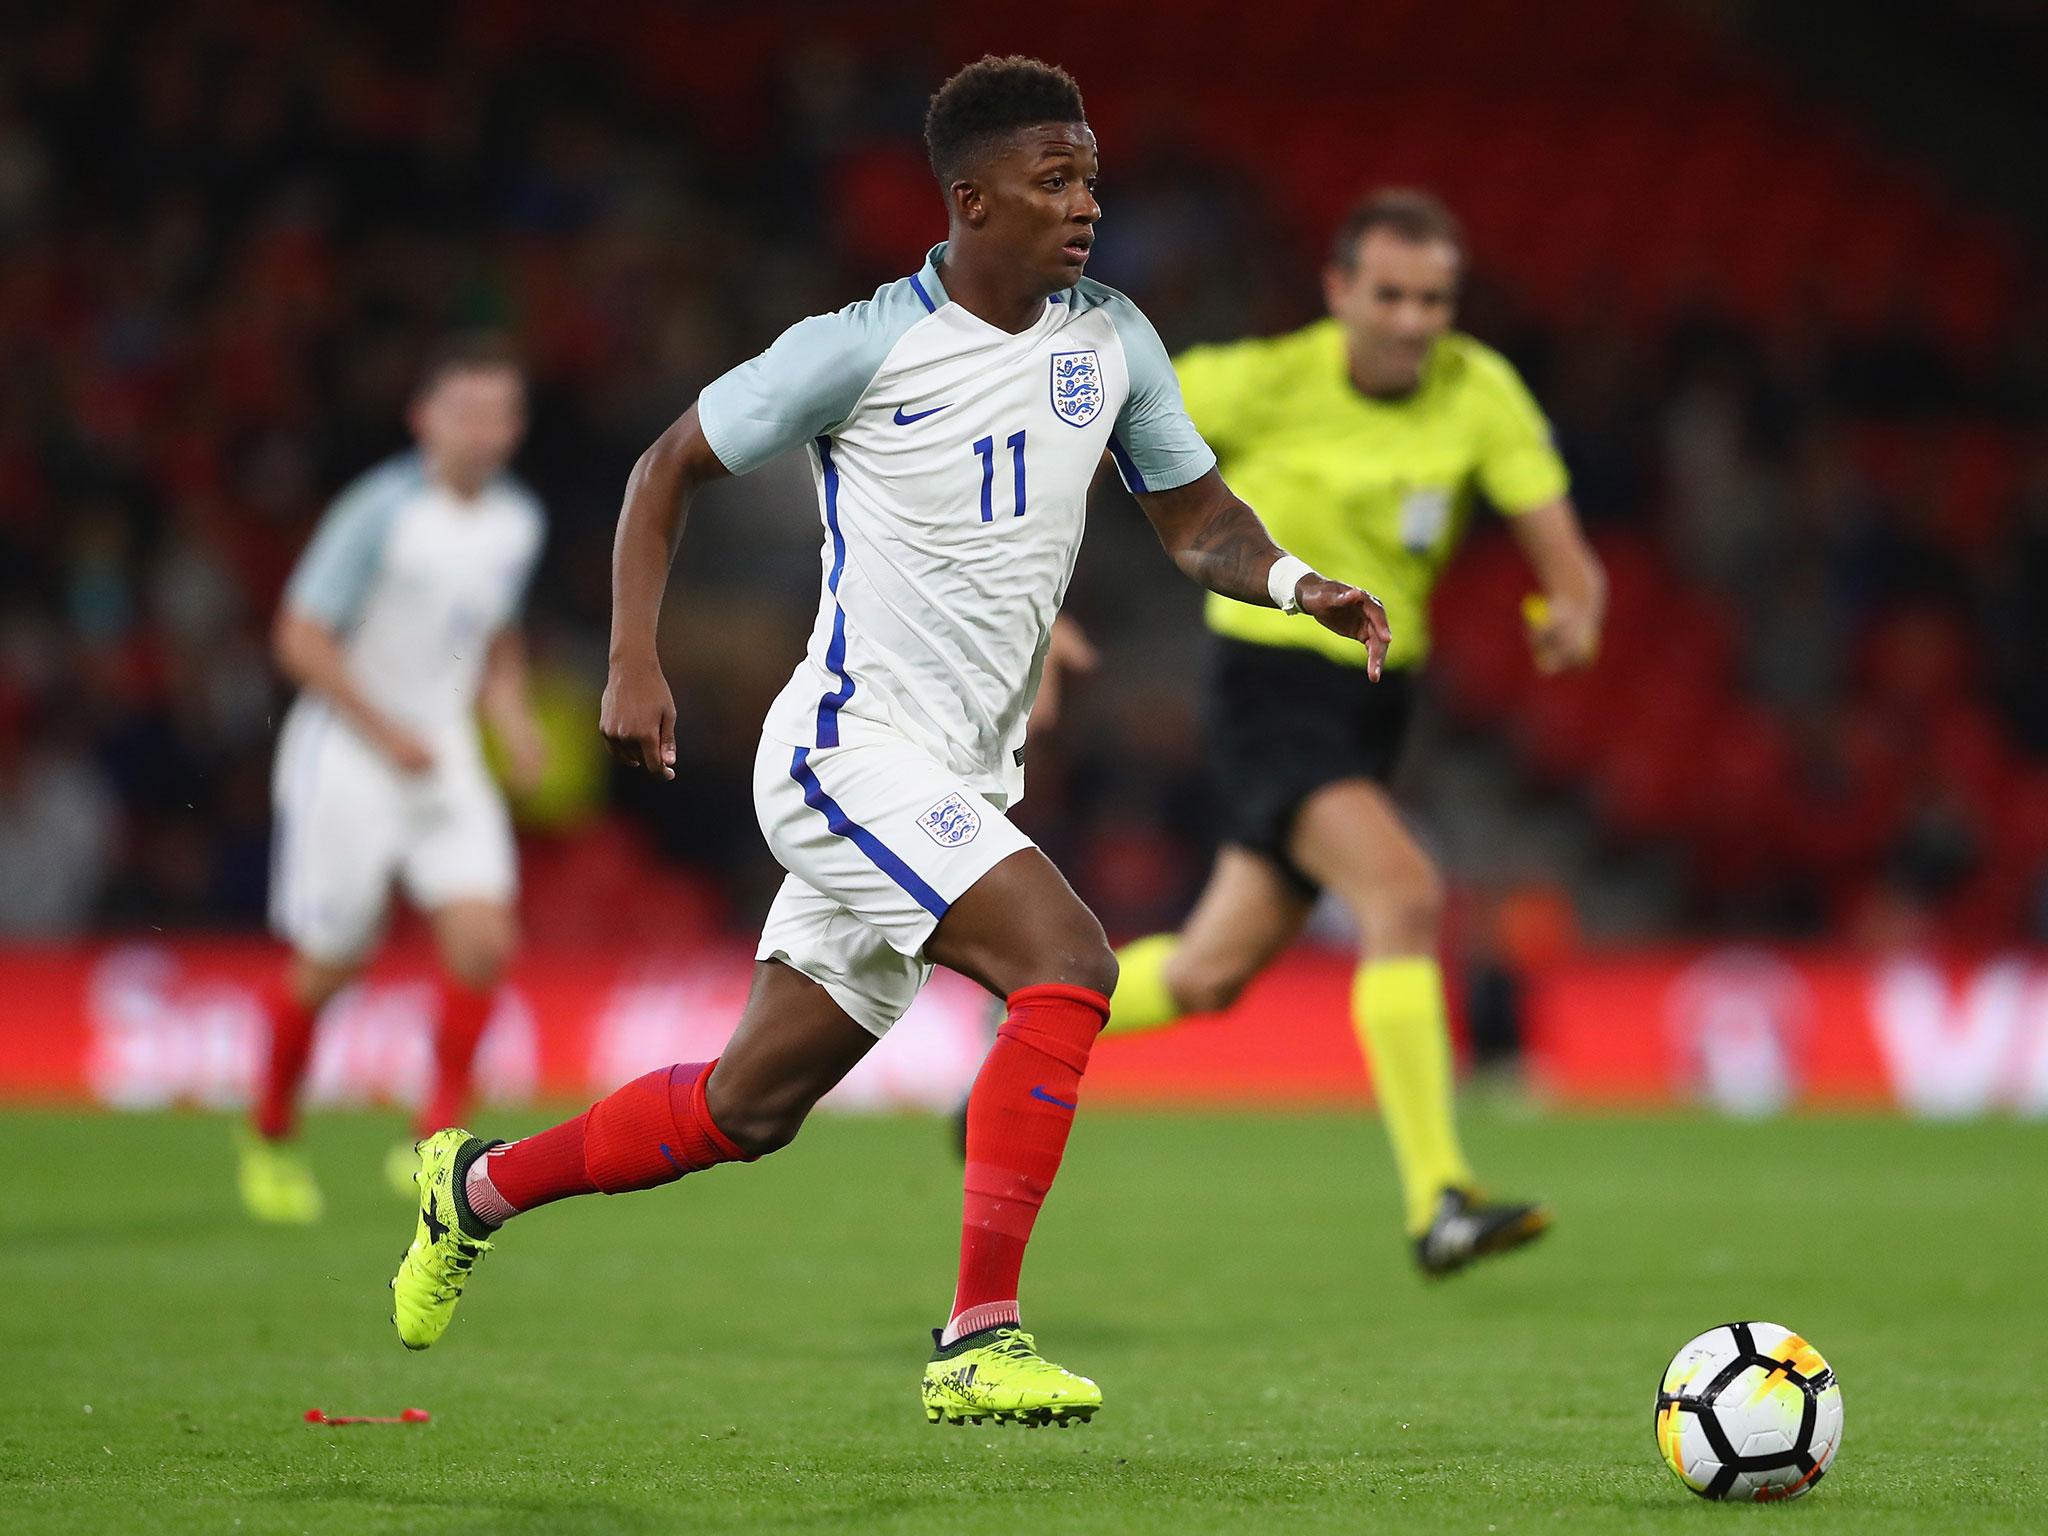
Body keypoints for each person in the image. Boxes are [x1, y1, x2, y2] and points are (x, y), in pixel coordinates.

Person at [386, 56, 1390, 1429]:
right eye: (1056, 180)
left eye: (1092, 173)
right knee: (1069, 962)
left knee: (747, 1110)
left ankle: (476, 1189)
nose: (1088, 201)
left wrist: (1296, 585)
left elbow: (1195, 516)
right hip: (846, 753)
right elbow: (664, 464)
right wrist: (634, 658)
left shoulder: (1114, 342)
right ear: (971, 200)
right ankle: (980, 1338)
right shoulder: (859, 346)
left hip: (955, 778)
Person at [1102, 189, 1607, 1276]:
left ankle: (1031, 1035)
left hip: (1380, 701)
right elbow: (1094, 421)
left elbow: (1560, 546)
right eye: (1389, 294)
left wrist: (1573, 605)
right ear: (1339, 292)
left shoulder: (1479, 391)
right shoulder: (1261, 379)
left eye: (1433, 298)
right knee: (1403, 890)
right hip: (1269, 683)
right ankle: (1441, 1197)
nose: (1413, 319)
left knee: (1204, 976)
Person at [239, 335, 547, 1224]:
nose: (485, 431)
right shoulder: (379, 512)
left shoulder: (515, 520)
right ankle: (269, 1131)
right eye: (467, 412)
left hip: (441, 749)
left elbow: (494, 636)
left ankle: (433, 1140)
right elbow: (299, 635)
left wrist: (513, 723)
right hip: (349, 752)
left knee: (484, 940)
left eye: (501, 414)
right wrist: (382, 727)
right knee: (334, 960)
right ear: (425, 419)